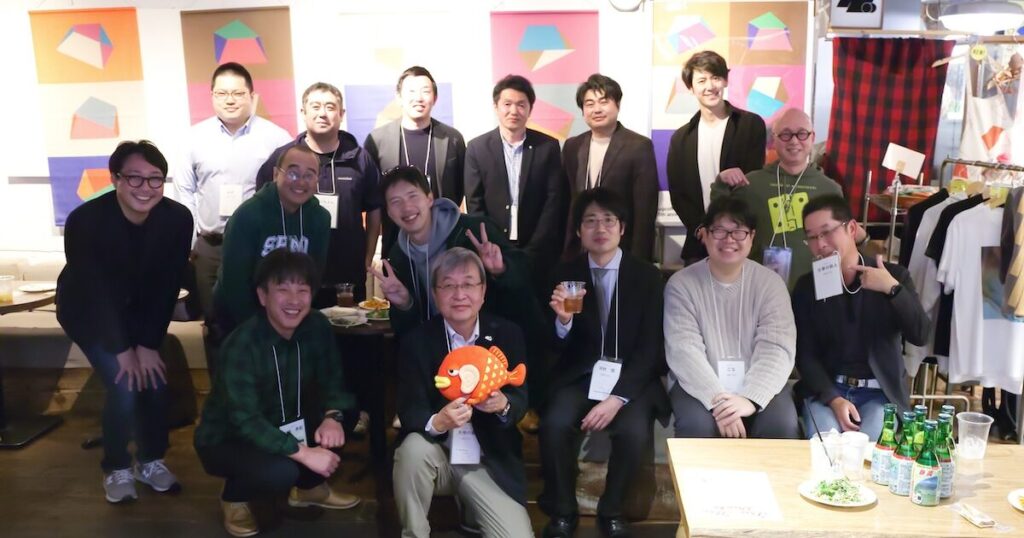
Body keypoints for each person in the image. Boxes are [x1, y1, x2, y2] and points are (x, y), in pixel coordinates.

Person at [56, 140, 193, 503]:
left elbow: (167, 284)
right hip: (88, 312)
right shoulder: (85, 221)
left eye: (155, 179)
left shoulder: (177, 219)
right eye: (134, 178)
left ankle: (150, 460)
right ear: (115, 178)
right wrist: (121, 349)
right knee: (125, 385)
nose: (145, 188)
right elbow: (94, 292)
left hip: (141, 313)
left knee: (156, 381)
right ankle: (116, 466)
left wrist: (147, 344)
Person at [194, 250, 359, 537]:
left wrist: (333, 417)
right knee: (281, 471)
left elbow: (333, 382)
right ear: (262, 296)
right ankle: (234, 497)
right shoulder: (242, 344)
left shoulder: (317, 326)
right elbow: (246, 421)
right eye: (283, 290)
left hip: (286, 421)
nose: (294, 300)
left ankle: (309, 489)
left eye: (302, 290)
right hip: (228, 438)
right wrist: (304, 454)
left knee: (347, 415)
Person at [540, 188, 667, 538]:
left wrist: (617, 398)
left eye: (609, 220)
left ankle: (612, 511)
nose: (600, 228)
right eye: (591, 221)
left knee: (633, 431)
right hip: (580, 375)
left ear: (622, 228)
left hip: (631, 377)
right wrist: (563, 321)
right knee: (554, 424)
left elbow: (650, 348)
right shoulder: (565, 274)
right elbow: (553, 346)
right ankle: (562, 510)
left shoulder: (646, 276)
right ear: (579, 230)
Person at [392, 247, 532, 538]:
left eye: (468, 284)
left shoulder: (507, 334)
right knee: (412, 450)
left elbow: (521, 398)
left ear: (483, 291)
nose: (459, 295)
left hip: (488, 460)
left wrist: (504, 404)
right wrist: (438, 422)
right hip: (439, 454)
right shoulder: (417, 341)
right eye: (448, 285)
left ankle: (472, 509)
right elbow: (409, 408)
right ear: (435, 293)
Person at [173, 62, 291, 364]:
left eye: (237, 93)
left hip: (259, 246)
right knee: (216, 325)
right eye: (222, 93)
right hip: (211, 248)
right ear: (212, 96)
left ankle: (261, 388)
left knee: (261, 321)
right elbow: (184, 193)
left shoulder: (276, 138)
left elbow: (287, 193)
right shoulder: (193, 138)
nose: (230, 100)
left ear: (252, 96)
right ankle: (223, 390)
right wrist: (190, 243)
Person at [794, 195, 929, 441]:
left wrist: (892, 289)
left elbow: (920, 335)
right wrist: (833, 398)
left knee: (866, 447)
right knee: (826, 444)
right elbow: (805, 354)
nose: (820, 244)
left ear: (852, 229)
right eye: (812, 237)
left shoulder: (893, 275)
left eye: (827, 232)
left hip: (880, 395)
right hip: (828, 392)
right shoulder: (807, 287)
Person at [665, 196, 799, 440]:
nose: (728, 240)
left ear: (752, 237)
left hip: (758, 380)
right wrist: (719, 402)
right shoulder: (681, 284)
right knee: (696, 427)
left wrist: (750, 398)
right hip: (697, 384)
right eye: (719, 231)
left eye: (738, 232)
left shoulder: (770, 284)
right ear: (704, 235)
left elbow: (777, 348)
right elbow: (684, 350)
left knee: (782, 425)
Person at [370, 165, 542, 340]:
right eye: (396, 202)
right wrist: (405, 304)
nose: (407, 207)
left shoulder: (473, 231)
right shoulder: (398, 256)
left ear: (430, 198)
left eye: (412, 196)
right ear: (389, 212)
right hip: (441, 348)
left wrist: (501, 269)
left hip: (496, 344)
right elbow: (408, 331)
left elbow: (527, 276)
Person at [255, 82, 382, 306]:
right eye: (315, 106)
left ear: (341, 114)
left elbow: (374, 209)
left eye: (330, 107)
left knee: (350, 325)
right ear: (303, 112)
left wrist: (368, 257)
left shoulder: (360, 159)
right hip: (293, 275)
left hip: (347, 273)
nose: (322, 113)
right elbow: (262, 208)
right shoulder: (283, 157)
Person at [711, 109, 847, 289]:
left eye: (802, 133)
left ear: (812, 137)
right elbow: (718, 223)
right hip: (759, 289)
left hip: (816, 292)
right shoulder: (751, 184)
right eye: (785, 134)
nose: (794, 141)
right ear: (774, 139)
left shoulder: (831, 189)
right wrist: (721, 184)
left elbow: (840, 248)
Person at [213, 145, 330, 336]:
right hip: (240, 319)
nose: (301, 181)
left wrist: (293, 317)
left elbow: (314, 276)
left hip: (289, 317)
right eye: (293, 173)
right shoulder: (247, 215)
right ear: (276, 174)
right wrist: (256, 328)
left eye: (309, 175)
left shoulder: (320, 218)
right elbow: (234, 281)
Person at [465, 74, 567, 288]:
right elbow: (475, 205)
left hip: (539, 254)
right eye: (507, 104)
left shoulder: (548, 147)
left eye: (521, 104)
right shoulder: (477, 148)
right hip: (494, 254)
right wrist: (495, 245)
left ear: (530, 108)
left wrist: (534, 249)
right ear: (496, 107)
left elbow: (553, 202)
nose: (514, 111)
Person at [666, 51, 767, 264]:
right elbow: (678, 194)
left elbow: (753, 182)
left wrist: (729, 230)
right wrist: (701, 229)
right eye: (701, 80)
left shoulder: (750, 125)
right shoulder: (682, 138)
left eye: (715, 77)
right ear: (691, 88)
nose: (710, 86)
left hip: (738, 240)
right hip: (699, 242)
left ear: (725, 81)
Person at [365, 66, 466, 255]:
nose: (418, 98)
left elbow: (459, 189)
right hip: (396, 244)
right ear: (399, 97)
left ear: (435, 97)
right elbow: (374, 198)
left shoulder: (452, 138)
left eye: (425, 91)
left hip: (446, 243)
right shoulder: (377, 140)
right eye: (411, 91)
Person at [562, 74, 659, 262]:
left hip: (622, 249)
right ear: (583, 110)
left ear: (618, 105)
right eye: (589, 104)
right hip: (580, 250)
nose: (597, 109)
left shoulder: (638, 146)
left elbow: (645, 210)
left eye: (604, 102)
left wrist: (638, 260)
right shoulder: (573, 146)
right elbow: (566, 202)